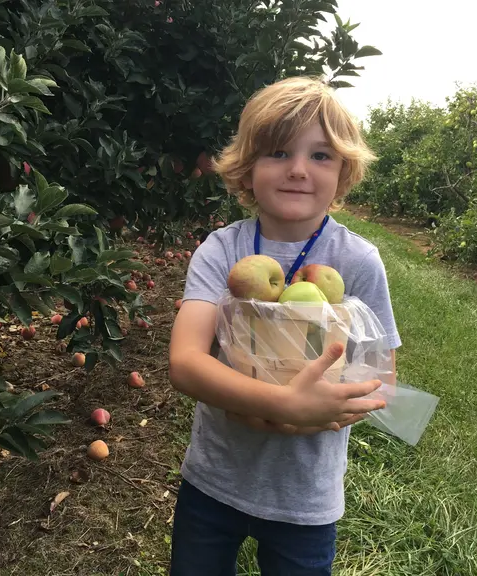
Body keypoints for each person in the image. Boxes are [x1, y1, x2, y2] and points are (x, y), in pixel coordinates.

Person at [167, 76, 402, 576]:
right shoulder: (222, 251)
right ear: (247, 170)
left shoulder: (357, 262)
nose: (298, 169)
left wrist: (307, 414)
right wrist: (278, 404)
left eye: (320, 156)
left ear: (343, 172)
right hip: (214, 481)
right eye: (278, 152)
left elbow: (380, 378)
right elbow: (185, 363)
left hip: (305, 495)